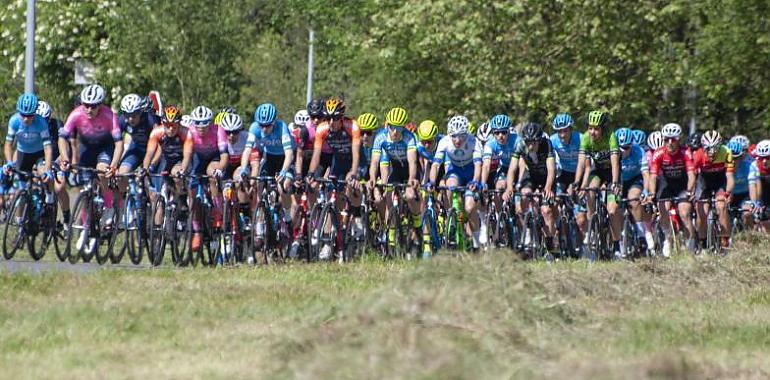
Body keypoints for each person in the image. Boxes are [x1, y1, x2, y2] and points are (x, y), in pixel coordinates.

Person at [59, 84, 124, 253]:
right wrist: (65, 157)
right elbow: (62, 138)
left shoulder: (110, 116)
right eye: (85, 104)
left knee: (102, 170)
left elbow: (119, 144)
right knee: (85, 191)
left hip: (105, 149)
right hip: (86, 149)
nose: (88, 109)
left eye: (92, 106)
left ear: (100, 104)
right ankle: (85, 227)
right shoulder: (76, 114)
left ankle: (109, 206)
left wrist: (114, 165)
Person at [428, 115, 483, 251]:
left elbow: (478, 165)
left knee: (470, 208)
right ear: (449, 134)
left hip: (471, 173)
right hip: (456, 171)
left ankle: (476, 242)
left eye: (461, 136)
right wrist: (431, 182)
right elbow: (435, 165)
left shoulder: (474, 142)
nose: (457, 140)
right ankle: (453, 215)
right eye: (454, 136)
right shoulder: (445, 142)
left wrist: (475, 181)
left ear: (467, 134)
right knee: (450, 185)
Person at [646, 123, 697, 256]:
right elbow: (652, 177)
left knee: (685, 213)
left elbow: (692, 175)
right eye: (666, 139)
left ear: (678, 140)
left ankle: (691, 245)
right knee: (662, 208)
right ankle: (668, 239)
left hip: (682, 184)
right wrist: (651, 193)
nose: (669, 142)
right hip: (666, 183)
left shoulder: (685, 152)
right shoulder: (659, 153)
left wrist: (690, 191)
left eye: (673, 139)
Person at [691, 130, 734, 249]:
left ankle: (725, 240)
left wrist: (728, 193)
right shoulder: (698, 155)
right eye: (708, 148)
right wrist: (692, 192)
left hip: (720, 181)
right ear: (703, 147)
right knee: (701, 211)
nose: (712, 152)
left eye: (715, 148)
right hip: (704, 182)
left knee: (721, 206)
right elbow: (693, 177)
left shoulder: (726, 152)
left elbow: (729, 176)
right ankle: (703, 243)